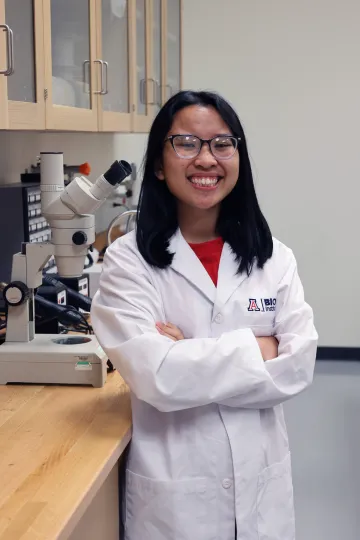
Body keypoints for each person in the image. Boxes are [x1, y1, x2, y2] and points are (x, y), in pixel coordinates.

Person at [91, 90, 318, 540]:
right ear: (159, 163)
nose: (206, 159)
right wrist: (259, 348)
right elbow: (157, 377)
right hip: (176, 498)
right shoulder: (126, 261)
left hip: (260, 489)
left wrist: (188, 352)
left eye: (221, 144)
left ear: (238, 157)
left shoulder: (275, 259)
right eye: (186, 144)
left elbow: (298, 366)